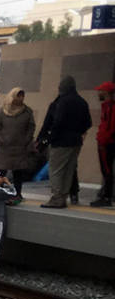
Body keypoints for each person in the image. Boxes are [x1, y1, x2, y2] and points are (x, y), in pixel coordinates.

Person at [41, 76, 92, 208]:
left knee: (56, 170)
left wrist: (51, 138)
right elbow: (88, 123)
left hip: (61, 141)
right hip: (76, 141)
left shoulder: (62, 102)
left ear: (63, 87)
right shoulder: (82, 102)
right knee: (69, 170)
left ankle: (57, 198)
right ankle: (63, 196)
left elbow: (58, 122)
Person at [0, 88, 35, 205]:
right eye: (19, 95)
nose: (21, 98)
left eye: (22, 96)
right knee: (0, 173)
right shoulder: (2, 112)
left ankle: (18, 194)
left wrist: (26, 140)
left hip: (20, 149)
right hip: (4, 149)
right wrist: (2, 140)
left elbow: (31, 128)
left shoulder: (27, 112)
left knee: (18, 173)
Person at [90, 81, 115, 207]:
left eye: (101, 90)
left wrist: (102, 140)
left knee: (107, 170)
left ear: (106, 93)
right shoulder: (107, 106)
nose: (98, 93)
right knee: (107, 170)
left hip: (107, 144)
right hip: (106, 142)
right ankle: (106, 195)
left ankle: (107, 197)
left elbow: (110, 127)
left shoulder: (111, 108)